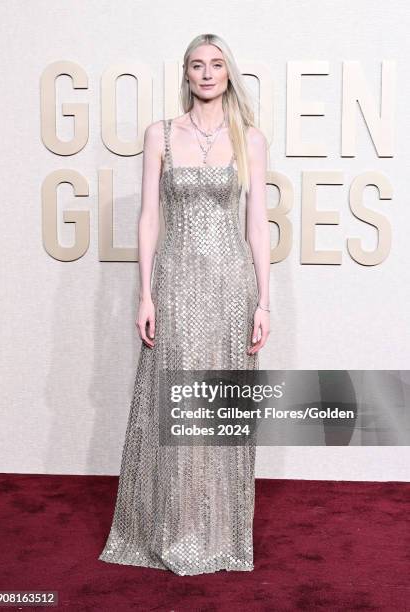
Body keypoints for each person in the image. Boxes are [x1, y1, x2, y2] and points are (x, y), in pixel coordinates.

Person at [99, 33, 271, 576]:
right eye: (198, 65)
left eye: (216, 65)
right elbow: (148, 218)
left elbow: (258, 225)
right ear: (186, 73)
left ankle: (221, 535)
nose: (207, 73)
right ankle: (171, 527)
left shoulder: (250, 138)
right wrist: (145, 291)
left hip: (228, 284)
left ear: (228, 72)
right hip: (175, 281)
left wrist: (264, 301)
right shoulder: (160, 135)